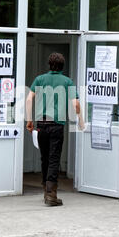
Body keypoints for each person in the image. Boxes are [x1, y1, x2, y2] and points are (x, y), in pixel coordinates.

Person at [26, 52, 85, 206]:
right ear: (62, 66)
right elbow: (76, 104)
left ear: (49, 65)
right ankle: (51, 194)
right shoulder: (67, 82)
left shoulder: (39, 79)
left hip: (41, 125)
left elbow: (28, 99)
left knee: (45, 158)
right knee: (54, 159)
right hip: (56, 126)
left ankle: (46, 189)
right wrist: (81, 120)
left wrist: (29, 120)